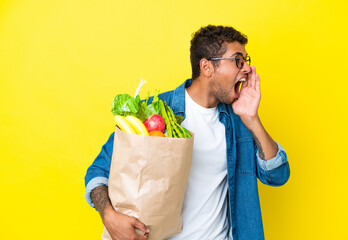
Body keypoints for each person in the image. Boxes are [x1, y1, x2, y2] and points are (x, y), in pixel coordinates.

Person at [84, 25, 290, 240]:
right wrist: (108, 215)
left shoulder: (240, 120)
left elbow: (277, 176)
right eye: (238, 60)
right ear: (207, 67)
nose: (247, 68)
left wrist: (252, 119)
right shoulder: (156, 111)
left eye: (246, 61)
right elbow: (98, 171)